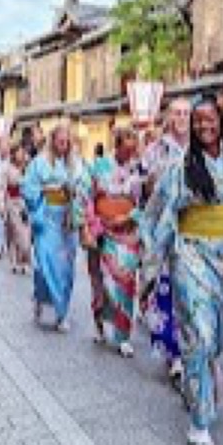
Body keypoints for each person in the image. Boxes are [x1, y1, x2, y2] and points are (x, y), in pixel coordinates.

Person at [140, 94, 223, 445]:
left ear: (221, 122)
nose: (205, 126)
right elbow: (156, 211)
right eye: (198, 121)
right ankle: (199, 422)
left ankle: (201, 378)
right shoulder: (179, 168)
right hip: (189, 254)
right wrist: (152, 261)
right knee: (199, 335)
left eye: (210, 119)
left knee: (219, 334)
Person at [76, 127, 145, 358]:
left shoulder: (139, 169)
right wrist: (87, 224)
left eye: (133, 145)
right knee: (101, 281)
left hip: (128, 232)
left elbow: (146, 200)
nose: (130, 149)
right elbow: (84, 195)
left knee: (125, 282)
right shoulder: (98, 166)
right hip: (103, 229)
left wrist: (132, 216)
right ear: (116, 144)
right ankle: (99, 322)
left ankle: (123, 335)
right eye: (126, 143)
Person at [140, 98, 192, 386]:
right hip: (165, 229)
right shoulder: (155, 150)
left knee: (192, 294)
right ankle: (174, 355)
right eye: (177, 113)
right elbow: (145, 189)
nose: (182, 117)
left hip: (195, 232)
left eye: (186, 113)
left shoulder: (202, 147)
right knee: (168, 289)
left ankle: (190, 349)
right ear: (168, 117)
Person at [22, 121, 82, 331]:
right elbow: (28, 188)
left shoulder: (76, 163)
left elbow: (84, 186)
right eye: (60, 141)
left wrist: (75, 191)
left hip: (66, 219)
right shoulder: (39, 163)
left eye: (67, 142)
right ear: (53, 141)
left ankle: (62, 312)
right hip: (47, 217)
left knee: (65, 269)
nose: (63, 145)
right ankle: (40, 296)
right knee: (44, 266)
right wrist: (43, 195)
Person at [4, 142, 32, 275]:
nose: (21, 155)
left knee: (25, 235)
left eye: (22, 152)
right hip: (13, 203)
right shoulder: (8, 168)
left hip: (26, 203)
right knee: (14, 232)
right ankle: (14, 261)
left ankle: (24, 260)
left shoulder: (28, 167)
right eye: (18, 152)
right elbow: (5, 185)